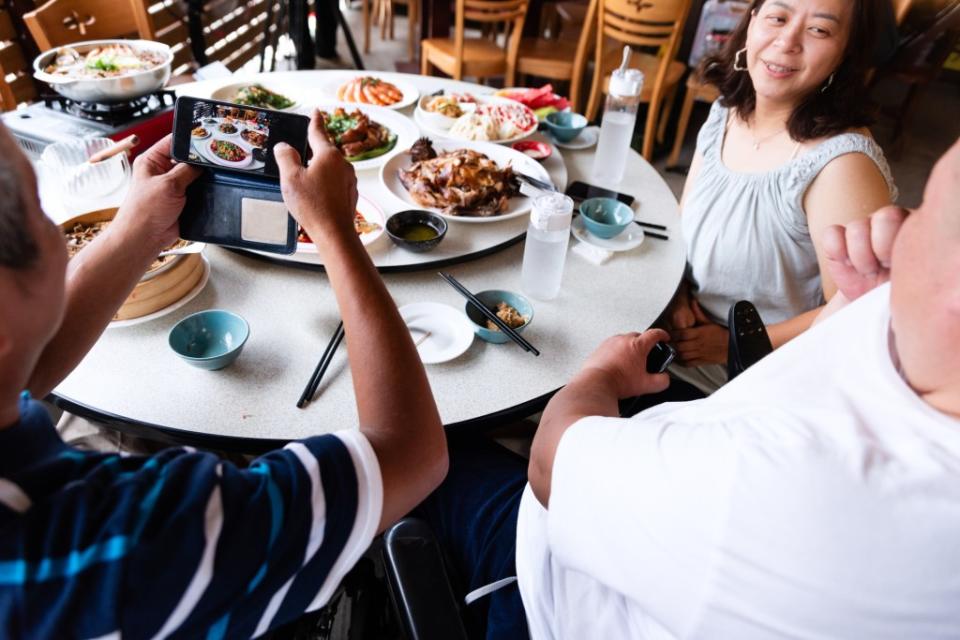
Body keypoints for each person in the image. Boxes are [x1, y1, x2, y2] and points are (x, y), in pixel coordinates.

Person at [419, 138, 960, 639]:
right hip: (683, 487)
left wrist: (600, 375)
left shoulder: (783, 482)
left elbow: (550, 467)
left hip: (553, 593)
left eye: (925, 213)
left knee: (436, 440)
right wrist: (856, 307)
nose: (898, 222)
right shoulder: (922, 367)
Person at [0, 115, 448, 638]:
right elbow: (413, 453)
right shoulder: (136, 535)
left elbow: (24, 365)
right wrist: (334, 231)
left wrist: (139, 227)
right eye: (39, 206)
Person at [666, 0, 898, 394]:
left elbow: (856, 314)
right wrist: (676, 293)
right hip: (679, 344)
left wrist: (733, 344)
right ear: (751, 21)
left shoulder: (840, 166)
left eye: (819, 30)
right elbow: (684, 226)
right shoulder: (727, 110)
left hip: (753, 384)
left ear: (846, 53)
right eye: (777, 17)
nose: (787, 41)